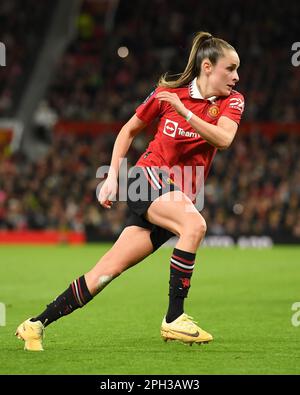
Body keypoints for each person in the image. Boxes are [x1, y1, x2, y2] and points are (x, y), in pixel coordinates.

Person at [15, 31, 244, 351]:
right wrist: (111, 177)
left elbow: (224, 139)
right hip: (146, 178)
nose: (236, 77)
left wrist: (184, 111)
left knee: (106, 273)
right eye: (229, 69)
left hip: (177, 196)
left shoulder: (232, 102)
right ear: (207, 67)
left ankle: (36, 324)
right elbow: (128, 130)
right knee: (195, 225)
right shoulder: (167, 94)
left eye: (237, 70)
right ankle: (174, 317)